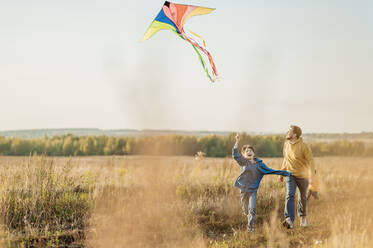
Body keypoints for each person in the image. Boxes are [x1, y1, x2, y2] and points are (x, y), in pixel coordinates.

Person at [232, 133, 291, 233]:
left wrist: (287, 173)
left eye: (250, 151)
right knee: (246, 210)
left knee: (253, 209)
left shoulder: (260, 165)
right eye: (246, 151)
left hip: (253, 191)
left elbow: (271, 170)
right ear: (244, 155)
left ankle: (250, 227)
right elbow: (235, 154)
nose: (248, 152)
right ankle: (248, 218)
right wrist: (237, 141)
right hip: (243, 189)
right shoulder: (243, 162)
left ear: (254, 153)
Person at [278, 125, 316, 229]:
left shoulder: (303, 146)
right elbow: (286, 159)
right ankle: (289, 219)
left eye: (289, 131)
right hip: (290, 175)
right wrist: (282, 173)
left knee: (302, 197)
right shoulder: (286, 144)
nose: (287, 132)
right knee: (289, 195)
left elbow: (311, 161)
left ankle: (303, 218)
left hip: (303, 175)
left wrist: (312, 176)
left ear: (295, 134)